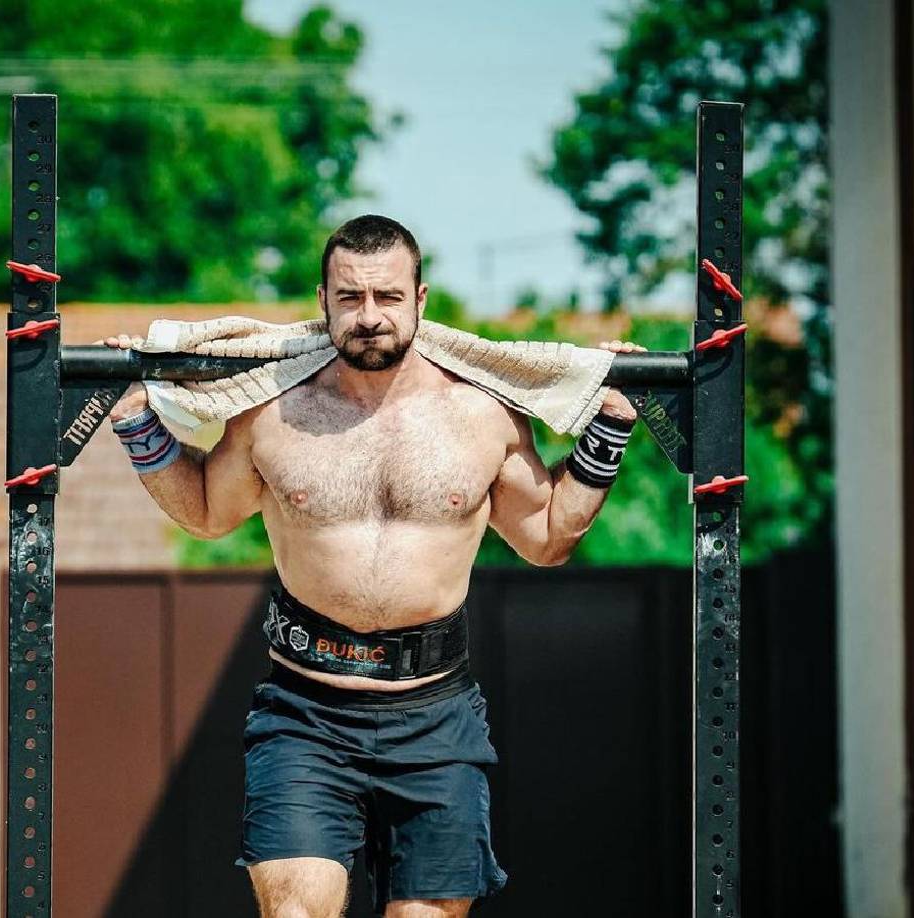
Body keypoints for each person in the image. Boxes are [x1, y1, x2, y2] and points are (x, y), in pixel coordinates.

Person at [99, 215, 645, 917]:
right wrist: (138, 424)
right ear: (322, 301)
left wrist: (609, 429)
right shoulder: (270, 411)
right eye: (350, 298)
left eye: (387, 297)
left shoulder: (482, 415)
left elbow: (546, 538)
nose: (369, 317)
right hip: (307, 713)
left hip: (436, 713)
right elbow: (208, 514)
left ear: (421, 299)